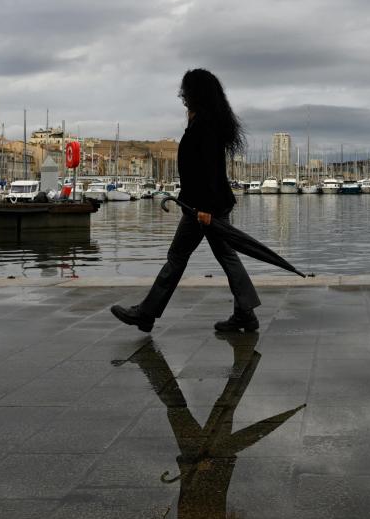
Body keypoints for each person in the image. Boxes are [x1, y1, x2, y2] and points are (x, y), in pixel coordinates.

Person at [110, 68, 261, 333]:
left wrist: (204, 210)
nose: (183, 98)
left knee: (179, 256)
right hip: (203, 205)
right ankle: (244, 314)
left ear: (195, 94)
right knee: (222, 256)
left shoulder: (205, 126)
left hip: (202, 207)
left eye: (186, 93)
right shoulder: (205, 122)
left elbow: (209, 172)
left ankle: (146, 314)